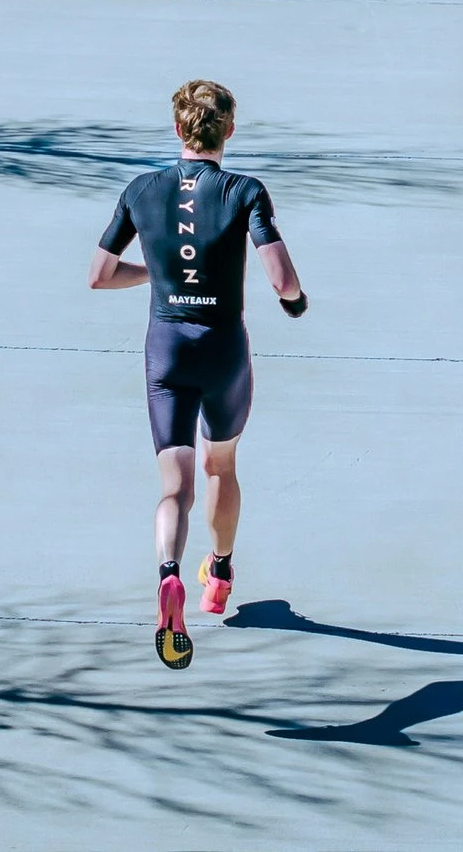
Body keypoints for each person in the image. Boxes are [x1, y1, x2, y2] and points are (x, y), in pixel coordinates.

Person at [89, 79, 306, 669]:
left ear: (178, 129)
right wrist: (294, 301)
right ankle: (222, 570)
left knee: (175, 487)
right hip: (223, 349)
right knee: (222, 465)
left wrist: (158, 277)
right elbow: (283, 282)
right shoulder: (244, 191)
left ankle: (169, 573)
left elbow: (100, 275)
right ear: (228, 131)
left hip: (167, 350)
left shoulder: (141, 189)